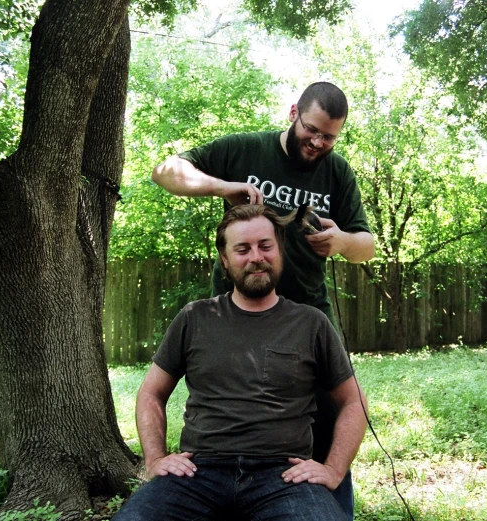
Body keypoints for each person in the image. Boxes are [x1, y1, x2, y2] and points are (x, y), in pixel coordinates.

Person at [151, 81, 375, 516]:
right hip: (236, 318)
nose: (318, 142)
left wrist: (342, 241)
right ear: (293, 112)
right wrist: (221, 186)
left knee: (330, 426)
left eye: (330, 136)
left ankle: (328, 507)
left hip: (307, 319)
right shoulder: (244, 149)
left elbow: (367, 244)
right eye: (312, 130)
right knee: (236, 419)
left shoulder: (337, 172)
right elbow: (165, 171)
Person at [112, 205, 368, 521]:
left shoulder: (311, 323)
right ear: (225, 259)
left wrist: (332, 469)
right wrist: (154, 459)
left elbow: (353, 402)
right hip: (198, 473)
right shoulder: (195, 318)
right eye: (242, 249)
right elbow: (151, 393)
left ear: (280, 251)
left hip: (284, 477)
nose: (256, 257)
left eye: (265, 246)